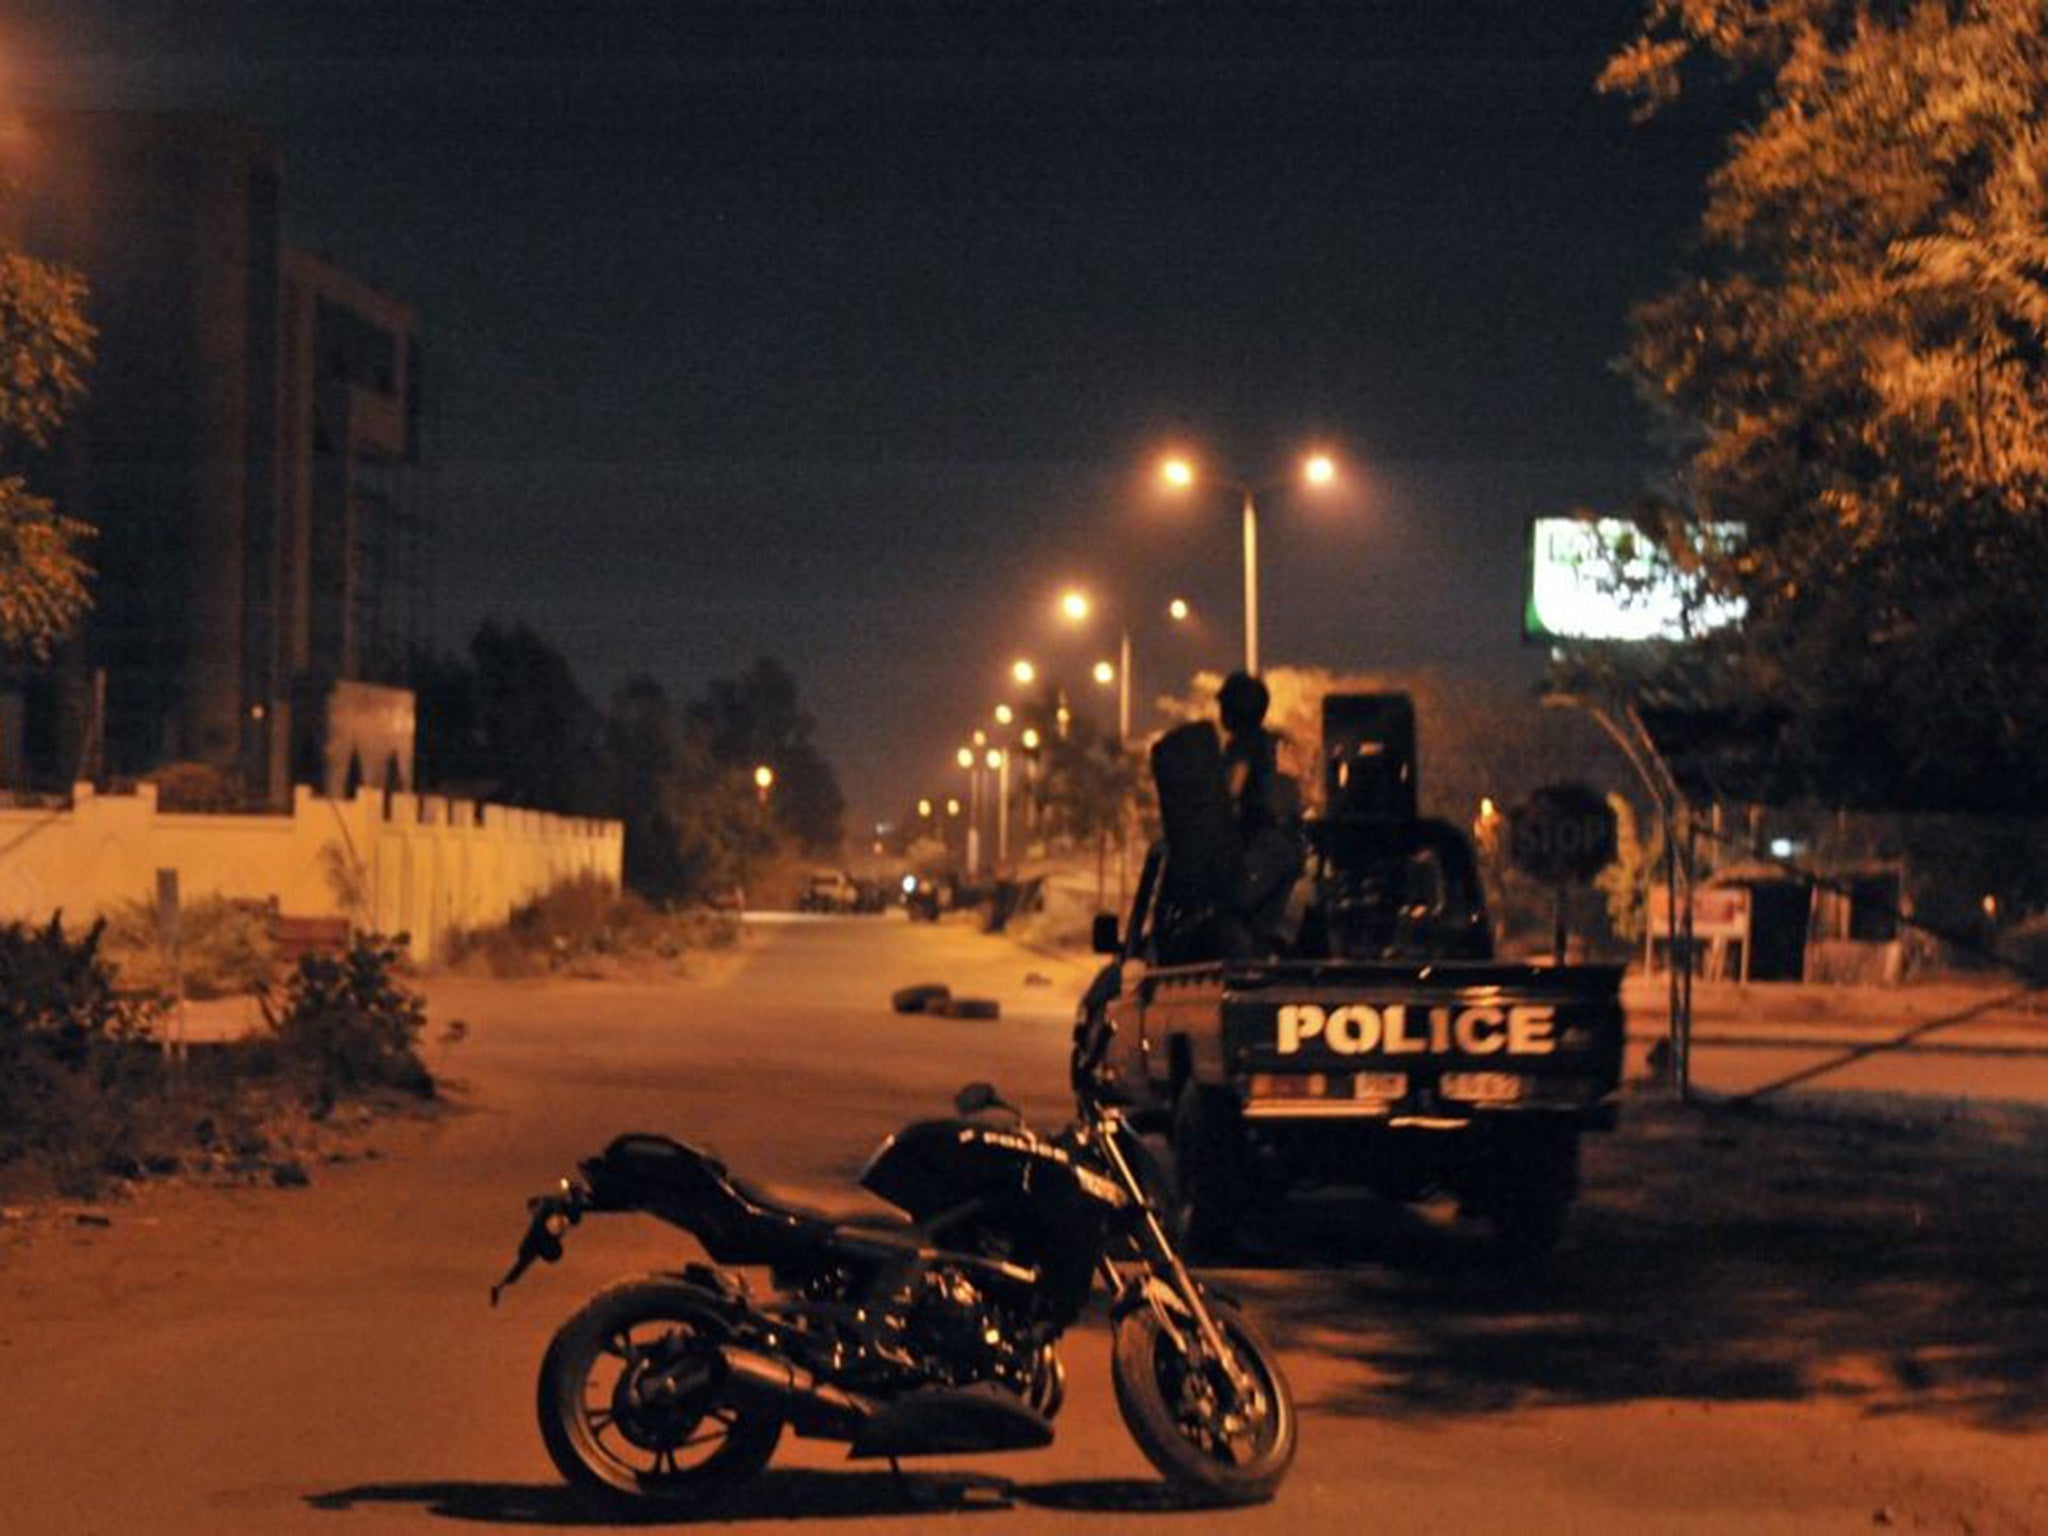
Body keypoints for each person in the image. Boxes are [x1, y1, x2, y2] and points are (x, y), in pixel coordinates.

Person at [1216, 671, 1305, 951]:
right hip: (1291, 844)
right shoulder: (1275, 743)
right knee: (1262, 927)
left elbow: (1233, 790)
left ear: (1234, 709)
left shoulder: (1245, 742)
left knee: (1226, 904)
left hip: (1264, 846)